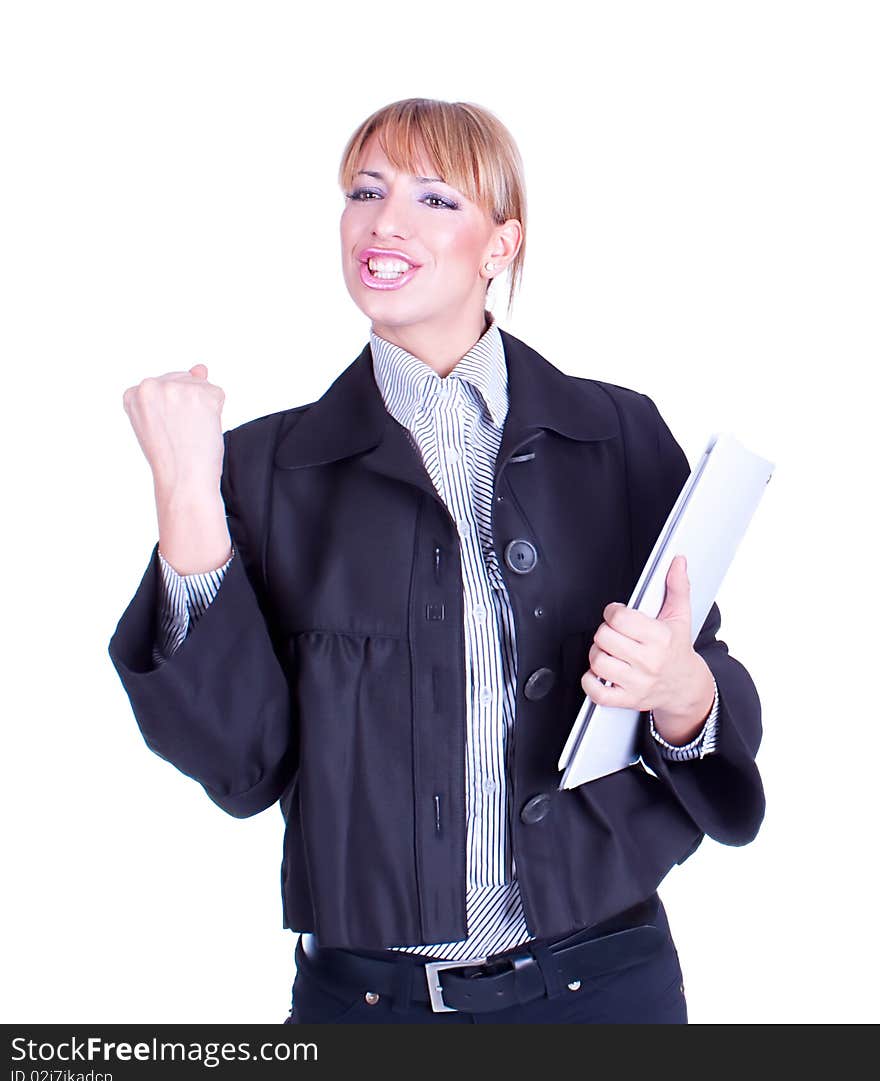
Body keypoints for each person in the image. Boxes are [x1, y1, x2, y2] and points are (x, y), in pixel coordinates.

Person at [108, 98, 765, 1024]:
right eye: (365, 192)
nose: (384, 220)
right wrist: (187, 497)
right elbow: (241, 767)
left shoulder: (617, 436)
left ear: (501, 246)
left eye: (434, 199)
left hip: (607, 988)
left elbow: (708, 687)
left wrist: (682, 690)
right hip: (369, 1005)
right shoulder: (262, 470)